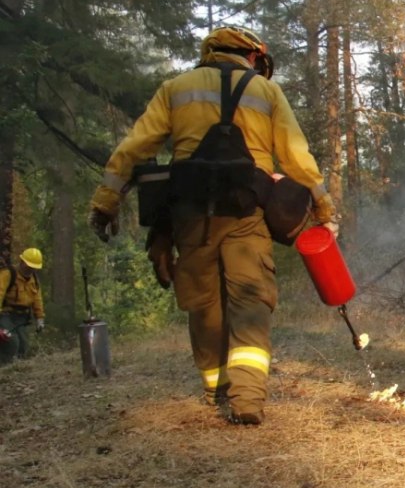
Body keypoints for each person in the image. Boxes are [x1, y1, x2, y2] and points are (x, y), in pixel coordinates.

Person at [86, 26, 337, 425]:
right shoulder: (266, 91)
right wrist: (323, 205)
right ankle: (247, 401)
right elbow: (295, 155)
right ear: (252, 56)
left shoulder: (175, 88)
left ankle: (216, 388)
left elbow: (134, 148)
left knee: (203, 303)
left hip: (191, 216)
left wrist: (106, 202)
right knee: (251, 301)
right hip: (247, 214)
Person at [0, 248, 46, 365]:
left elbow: (37, 299)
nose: (31, 269)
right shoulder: (8, 274)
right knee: (11, 342)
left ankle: (18, 369)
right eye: (29, 266)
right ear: (22, 262)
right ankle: (4, 370)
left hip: (22, 318)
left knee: (23, 346)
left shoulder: (34, 280)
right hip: (5, 315)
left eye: (34, 267)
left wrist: (40, 318)